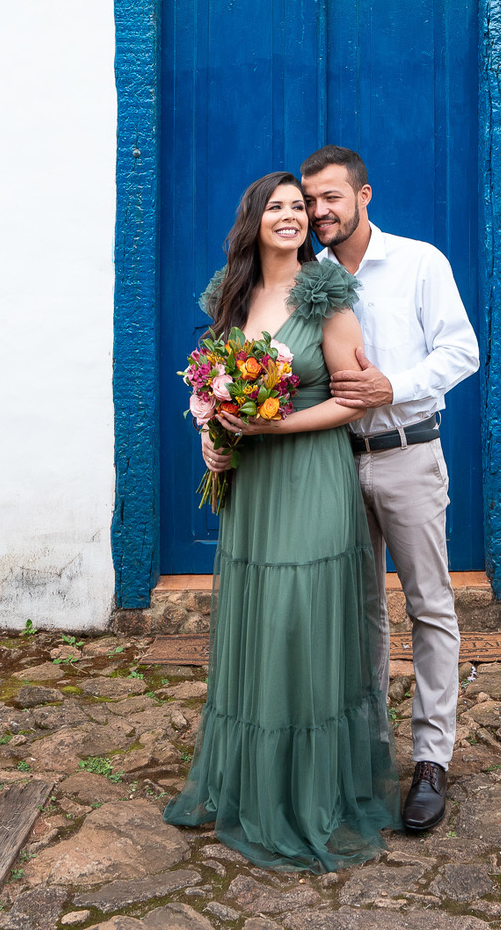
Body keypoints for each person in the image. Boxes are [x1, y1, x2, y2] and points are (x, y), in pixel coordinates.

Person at [163, 170, 400, 870]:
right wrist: (212, 437)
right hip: (252, 485)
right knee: (260, 617)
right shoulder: (231, 295)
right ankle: (253, 785)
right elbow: (211, 386)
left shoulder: (327, 295)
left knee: (302, 616)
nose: (293, 215)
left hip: (310, 474)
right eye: (278, 206)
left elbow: (353, 399)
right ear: (255, 219)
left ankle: (310, 793)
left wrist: (273, 425)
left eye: (300, 207)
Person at [299, 146, 480, 834]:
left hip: (408, 453)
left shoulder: (418, 263)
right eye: (311, 201)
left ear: (364, 195)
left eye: (331, 197)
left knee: (430, 606)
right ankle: (371, 754)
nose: (319, 211)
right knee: (360, 612)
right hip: (333, 463)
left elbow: (461, 351)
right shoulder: (308, 277)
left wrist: (391, 388)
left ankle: (431, 760)